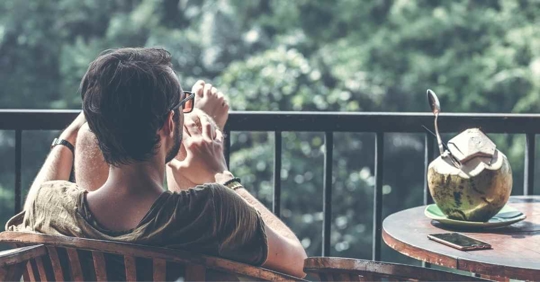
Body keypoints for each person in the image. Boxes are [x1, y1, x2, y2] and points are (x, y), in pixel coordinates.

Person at [6, 47, 307, 278]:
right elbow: (299, 262)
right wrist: (221, 174)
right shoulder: (214, 210)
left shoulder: (51, 206)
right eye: (182, 105)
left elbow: (30, 212)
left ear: (96, 127)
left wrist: (69, 135)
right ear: (167, 124)